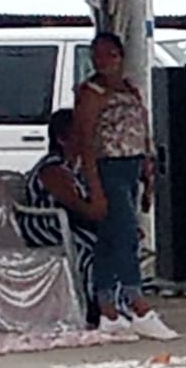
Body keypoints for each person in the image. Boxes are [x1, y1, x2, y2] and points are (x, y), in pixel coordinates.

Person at [72, 31, 177, 339]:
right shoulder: (91, 93)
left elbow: (142, 128)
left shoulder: (130, 89)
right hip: (108, 166)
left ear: (120, 57)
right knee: (126, 233)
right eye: (97, 55)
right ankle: (137, 302)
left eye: (110, 54)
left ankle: (107, 308)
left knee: (108, 239)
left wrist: (147, 171)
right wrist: (94, 186)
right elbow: (85, 140)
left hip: (131, 165)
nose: (103, 61)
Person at [20, 108, 104, 325]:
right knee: (90, 248)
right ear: (62, 139)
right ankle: (94, 305)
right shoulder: (52, 169)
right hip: (49, 224)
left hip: (73, 223)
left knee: (114, 242)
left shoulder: (78, 167)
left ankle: (117, 300)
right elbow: (76, 206)